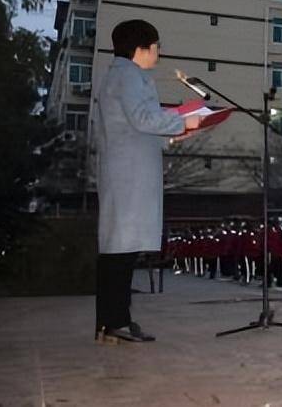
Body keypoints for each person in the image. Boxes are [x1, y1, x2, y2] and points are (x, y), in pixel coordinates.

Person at [95, 20, 201, 343]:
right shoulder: (128, 76)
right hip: (129, 176)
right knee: (119, 253)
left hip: (127, 171)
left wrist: (175, 134)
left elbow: (138, 126)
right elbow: (143, 118)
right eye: (156, 46)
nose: (158, 52)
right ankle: (114, 322)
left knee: (121, 251)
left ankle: (115, 321)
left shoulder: (123, 75)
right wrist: (182, 120)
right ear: (140, 49)